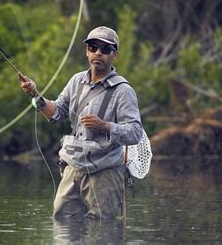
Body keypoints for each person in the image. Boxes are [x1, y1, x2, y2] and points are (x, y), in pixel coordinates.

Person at [19, 26, 143, 220]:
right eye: (93, 47)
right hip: (73, 167)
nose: (98, 53)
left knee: (103, 229)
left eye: (105, 49)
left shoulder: (123, 90)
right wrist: (35, 94)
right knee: (63, 223)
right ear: (87, 51)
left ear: (115, 54)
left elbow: (135, 133)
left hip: (105, 172)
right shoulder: (76, 81)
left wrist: (105, 126)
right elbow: (56, 113)